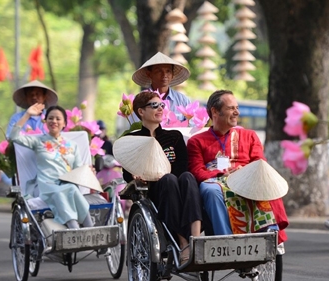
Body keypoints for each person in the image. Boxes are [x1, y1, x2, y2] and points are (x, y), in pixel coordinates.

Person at [186, 90, 289, 245]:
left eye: (237, 108)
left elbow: (259, 162)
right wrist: (223, 173)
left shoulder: (249, 136)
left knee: (268, 183)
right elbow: (197, 171)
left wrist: (245, 172)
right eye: (231, 108)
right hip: (215, 181)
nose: (236, 112)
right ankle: (226, 241)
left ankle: (269, 230)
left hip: (247, 178)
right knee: (210, 191)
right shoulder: (196, 141)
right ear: (215, 111)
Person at [121, 90, 202, 261]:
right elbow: (127, 172)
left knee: (187, 176)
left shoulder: (174, 136)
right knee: (169, 179)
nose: (160, 108)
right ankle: (182, 241)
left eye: (162, 105)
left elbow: (182, 165)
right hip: (154, 190)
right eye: (154, 105)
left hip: (178, 186)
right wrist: (136, 177)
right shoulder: (132, 139)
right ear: (141, 111)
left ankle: (195, 238)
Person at [9, 104, 93, 229]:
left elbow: (78, 168)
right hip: (48, 185)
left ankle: (91, 229)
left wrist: (88, 172)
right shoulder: (38, 141)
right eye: (51, 118)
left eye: (58, 119)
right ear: (46, 121)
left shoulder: (72, 145)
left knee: (72, 189)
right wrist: (27, 114)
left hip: (67, 184)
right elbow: (13, 137)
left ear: (64, 123)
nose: (54, 121)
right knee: (60, 193)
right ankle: (74, 227)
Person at [132, 52, 191, 120]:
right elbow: (135, 126)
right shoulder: (140, 101)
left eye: (168, 71)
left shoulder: (183, 100)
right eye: (159, 71)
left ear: (172, 75)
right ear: (149, 74)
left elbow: (191, 126)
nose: (164, 75)